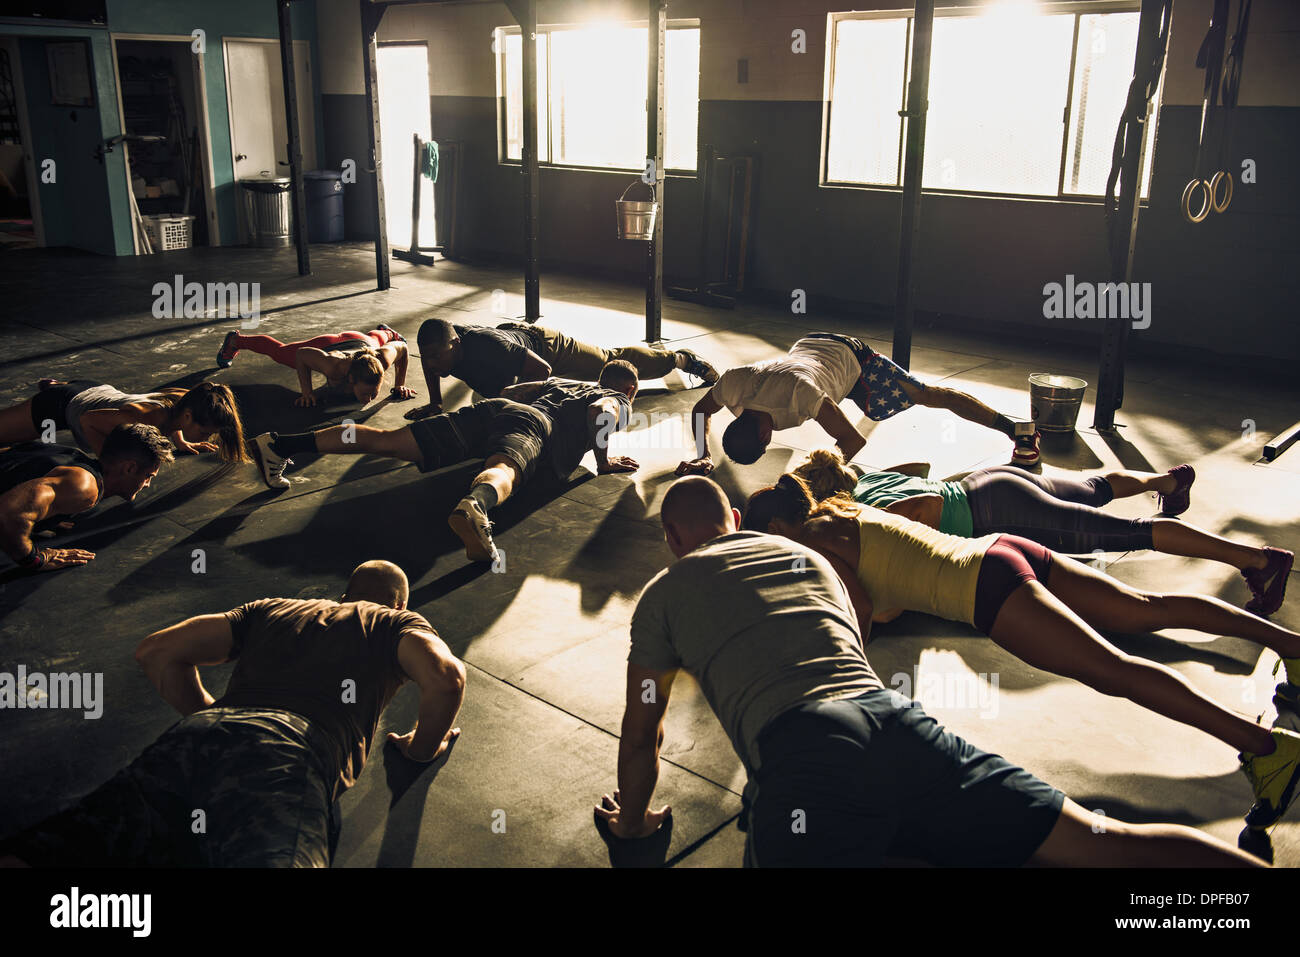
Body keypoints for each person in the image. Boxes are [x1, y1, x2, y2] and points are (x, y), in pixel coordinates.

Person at [595, 475, 1261, 866]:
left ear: (674, 539)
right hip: (894, 723)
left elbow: (642, 733)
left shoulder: (662, 597)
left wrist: (633, 825)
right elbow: (852, 635)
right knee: (1102, 842)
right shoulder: (811, 560)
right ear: (737, 520)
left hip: (803, 757)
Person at [742, 473, 1300, 830]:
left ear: (775, 527)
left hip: (984, 590)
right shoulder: (842, 509)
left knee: (1116, 671)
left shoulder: (811, 547)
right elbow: (889, 589)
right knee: (1146, 607)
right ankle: (1292, 649)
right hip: (1001, 548)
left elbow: (859, 623)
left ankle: (1266, 749)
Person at [0, 561, 465, 867]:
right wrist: (420, 752)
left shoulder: (273, 608)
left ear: (345, 591)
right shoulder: (394, 622)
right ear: (400, 602)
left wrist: (212, 715)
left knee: (60, 850)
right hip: (290, 751)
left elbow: (156, 652)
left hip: (195, 736)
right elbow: (447, 679)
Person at [793, 449, 1291, 617]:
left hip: (997, 512)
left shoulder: (857, 507)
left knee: (1127, 533)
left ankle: (1257, 560)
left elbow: (921, 508)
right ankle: (1168, 481)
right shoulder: (868, 475)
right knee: (1094, 487)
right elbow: (922, 470)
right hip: (993, 480)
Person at [250, 361, 641, 562]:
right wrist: (602, 461)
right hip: (535, 425)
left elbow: (511, 390)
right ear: (630, 388)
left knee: (387, 441)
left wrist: (493, 420)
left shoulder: (565, 382)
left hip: (498, 409)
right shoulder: (619, 398)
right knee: (506, 468)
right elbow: (600, 414)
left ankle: (280, 444)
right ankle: (476, 506)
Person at [675, 332, 1038, 475]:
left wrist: (814, 476)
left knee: (928, 395)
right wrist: (703, 453)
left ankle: (1019, 431)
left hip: (852, 358)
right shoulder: (734, 382)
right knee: (871, 409)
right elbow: (699, 411)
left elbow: (853, 441)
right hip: (810, 349)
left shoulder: (799, 395)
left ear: (766, 435)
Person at [404, 318, 716, 420]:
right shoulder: (441, 348)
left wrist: (516, 397)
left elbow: (541, 369)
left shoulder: (486, 346)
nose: (430, 364)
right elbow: (433, 370)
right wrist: (435, 402)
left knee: (608, 361)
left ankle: (679, 359)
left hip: (544, 348)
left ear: (456, 345)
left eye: (435, 356)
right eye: (425, 357)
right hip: (508, 353)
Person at [0, 423, 174, 573]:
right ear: (129, 468)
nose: (147, 484)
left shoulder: (72, 455)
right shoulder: (84, 488)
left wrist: (46, 510)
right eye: (148, 476)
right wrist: (36, 559)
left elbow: (12, 456)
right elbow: (8, 515)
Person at [0, 378, 249, 462]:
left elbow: (175, 418)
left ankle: (60, 384)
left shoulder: (189, 400)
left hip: (96, 389)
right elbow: (88, 421)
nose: (209, 437)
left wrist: (181, 443)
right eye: (206, 432)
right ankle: (56, 388)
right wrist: (106, 462)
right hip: (60, 406)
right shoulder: (144, 418)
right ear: (188, 417)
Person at [216, 325, 415, 408]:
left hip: (364, 344)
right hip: (330, 344)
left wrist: (399, 385)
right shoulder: (332, 367)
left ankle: (385, 332)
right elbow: (302, 356)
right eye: (366, 394)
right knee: (280, 352)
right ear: (351, 379)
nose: (369, 399)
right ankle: (236, 340)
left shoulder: (381, 361)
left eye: (373, 394)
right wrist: (307, 392)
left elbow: (403, 348)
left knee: (375, 341)